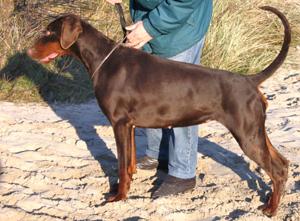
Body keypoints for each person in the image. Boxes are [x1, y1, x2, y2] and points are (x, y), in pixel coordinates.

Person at [106, 0, 213, 197]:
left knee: (180, 101)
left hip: (183, 25)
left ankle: (183, 172)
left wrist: (150, 27)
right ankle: (158, 154)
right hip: (149, 17)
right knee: (152, 90)